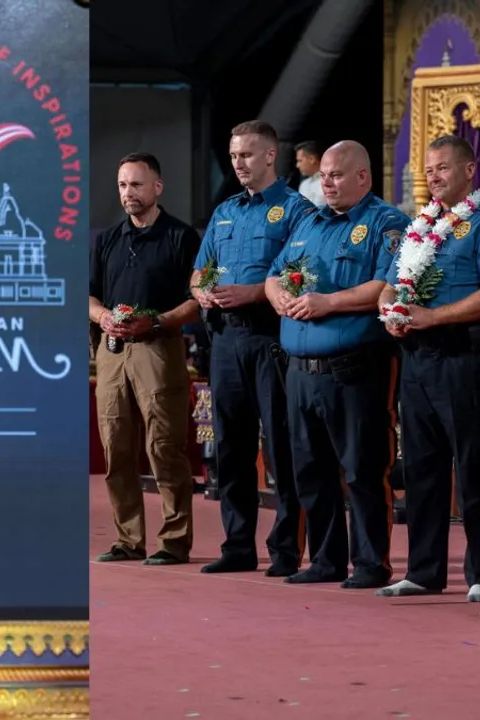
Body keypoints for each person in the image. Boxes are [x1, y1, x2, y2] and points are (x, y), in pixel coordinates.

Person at [372, 135, 480, 602]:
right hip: (417, 358)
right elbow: (389, 286)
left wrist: (433, 316)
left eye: (443, 168)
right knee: (420, 468)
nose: (433, 177)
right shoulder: (420, 225)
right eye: (428, 170)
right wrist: (390, 310)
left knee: (473, 466)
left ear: (470, 170)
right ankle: (424, 569)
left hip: (464, 358)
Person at [264, 140, 410, 588]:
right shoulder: (310, 223)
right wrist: (279, 296)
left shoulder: (387, 223)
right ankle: (326, 559)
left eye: (337, 175)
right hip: (300, 370)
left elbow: (386, 286)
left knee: (363, 469)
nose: (326, 182)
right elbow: (273, 275)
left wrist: (328, 302)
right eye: (324, 175)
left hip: (354, 367)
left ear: (362, 177)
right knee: (311, 469)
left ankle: (370, 563)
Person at [192, 121, 317, 577]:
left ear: (270, 156)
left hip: (271, 338)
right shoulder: (225, 211)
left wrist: (253, 292)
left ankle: (286, 549)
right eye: (233, 156)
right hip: (225, 339)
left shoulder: (297, 210)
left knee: (281, 445)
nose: (239, 164)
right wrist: (203, 291)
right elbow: (199, 271)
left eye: (247, 155)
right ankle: (237, 543)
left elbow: (302, 275)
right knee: (231, 445)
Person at [91, 152, 202, 565]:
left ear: (157, 187)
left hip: (158, 348)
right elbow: (88, 295)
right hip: (113, 351)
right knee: (115, 447)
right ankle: (127, 539)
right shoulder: (107, 239)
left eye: (136, 185)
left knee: (164, 446)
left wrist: (154, 323)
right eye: (122, 185)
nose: (128, 193)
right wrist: (104, 317)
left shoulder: (180, 237)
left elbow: (198, 300)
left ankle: (174, 540)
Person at [295, 141, 326, 208]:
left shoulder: (330, 182)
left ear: (312, 159)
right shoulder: (304, 184)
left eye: (300, 161)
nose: (297, 165)